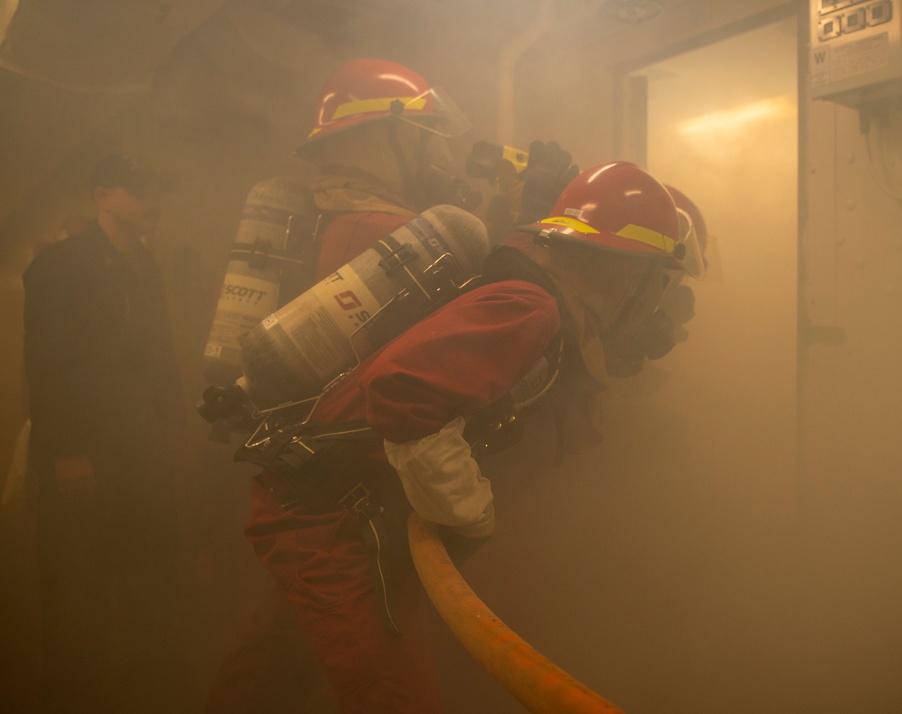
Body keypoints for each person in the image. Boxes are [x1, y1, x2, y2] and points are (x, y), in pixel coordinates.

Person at [206, 150, 705, 710]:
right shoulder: (531, 307)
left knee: (269, 669)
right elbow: (403, 392)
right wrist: (468, 511)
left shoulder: (527, 295)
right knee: (396, 698)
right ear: (627, 269)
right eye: (660, 280)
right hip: (337, 522)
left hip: (315, 502)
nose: (660, 303)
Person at [22, 153, 186, 712]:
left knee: (138, 571)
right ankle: (71, 694)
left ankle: (138, 690)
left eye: (155, 190)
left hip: (137, 447)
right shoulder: (60, 265)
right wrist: (68, 452)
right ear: (103, 196)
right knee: (75, 582)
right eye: (141, 190)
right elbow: (48, 365)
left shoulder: (142, 264)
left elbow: (158, 355)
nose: (152, 201)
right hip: (84, 451)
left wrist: (170, 425)